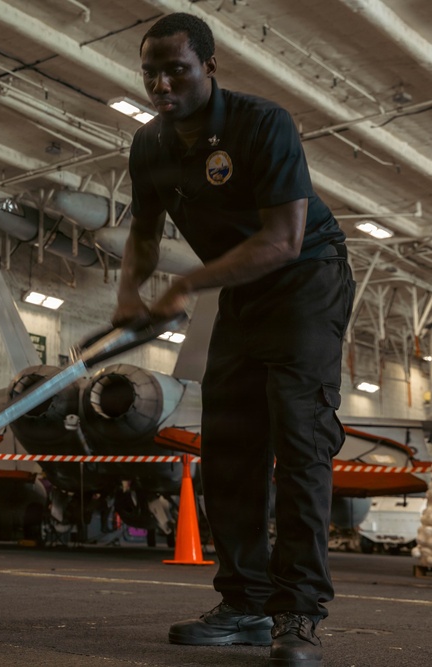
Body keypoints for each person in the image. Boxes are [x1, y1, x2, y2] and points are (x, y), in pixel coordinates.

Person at [113, 12, 355, 667]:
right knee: (229, 444)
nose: (162, 85)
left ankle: (298, 611)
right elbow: (143, 232)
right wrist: (130, 294)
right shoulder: (150, 145)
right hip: (242, 291)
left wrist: (185, 285)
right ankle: (246, 604)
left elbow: (284, 239)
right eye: (151, 73)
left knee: (300, 441)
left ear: (209, 67)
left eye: (177, 71)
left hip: (307, 278)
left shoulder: (262, 123)